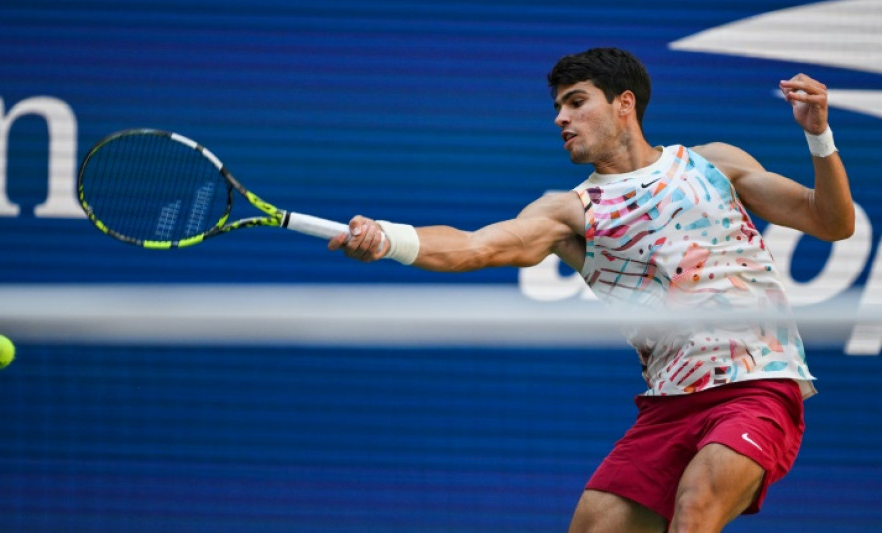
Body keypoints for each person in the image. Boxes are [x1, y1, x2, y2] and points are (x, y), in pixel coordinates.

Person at [327, 47, 854, 533]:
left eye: (576, 102)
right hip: (668, 405)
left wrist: (819, 137)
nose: (561, 118)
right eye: (558, 107)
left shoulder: (713, 164)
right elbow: (474, 246)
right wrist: (388, 239)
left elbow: (832, 222)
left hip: (757, 385)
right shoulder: (569, 213)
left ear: (624, 104)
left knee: (696, 510)